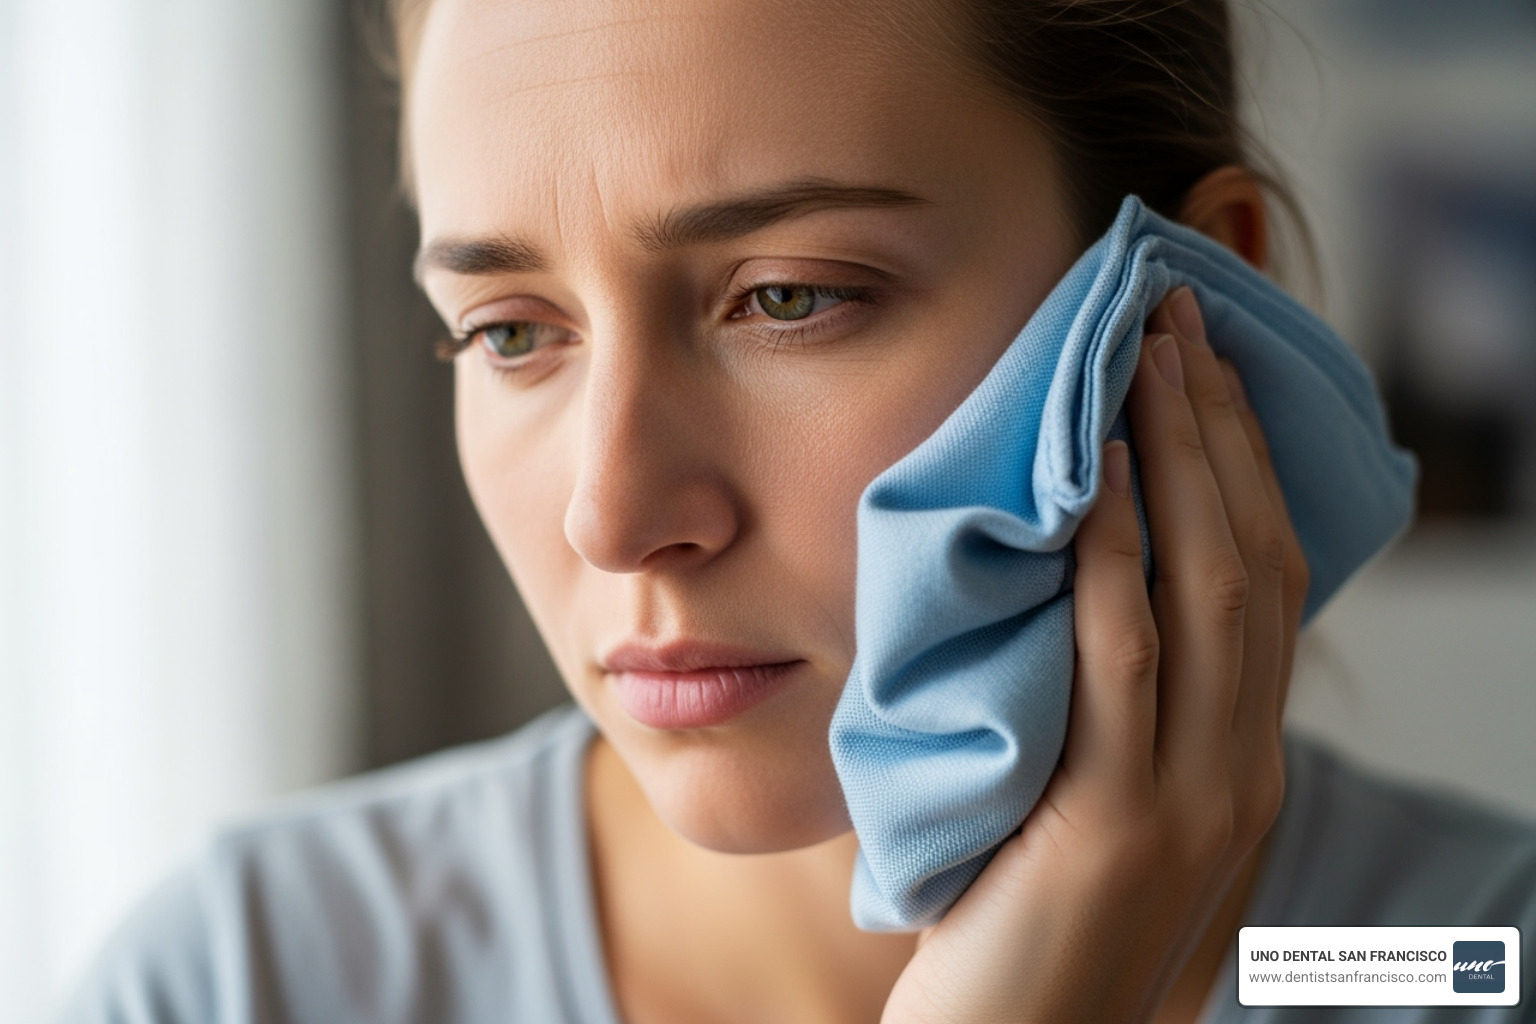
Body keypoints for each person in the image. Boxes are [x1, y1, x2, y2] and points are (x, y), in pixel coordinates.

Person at [60, 1, 1536, 1022]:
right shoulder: (245, 980)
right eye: (511, 332)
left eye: (788, 298)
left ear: (1193, 304)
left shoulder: (1455, 958)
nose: (612, 512)